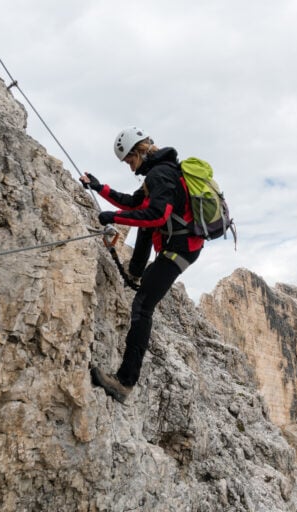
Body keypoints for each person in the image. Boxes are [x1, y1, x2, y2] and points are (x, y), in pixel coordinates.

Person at [80, 126, 203, 403]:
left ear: (139, 152)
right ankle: (136, 272)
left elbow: (157, 216)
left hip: (180, 250)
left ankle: (124, 382)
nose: (130, 167)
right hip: (180, 245)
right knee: (143, 223)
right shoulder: (158, 173)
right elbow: (134, 203)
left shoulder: (161, 174)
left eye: (130, 161)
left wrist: (114, 218)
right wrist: (100, 188)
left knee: (142, 306)